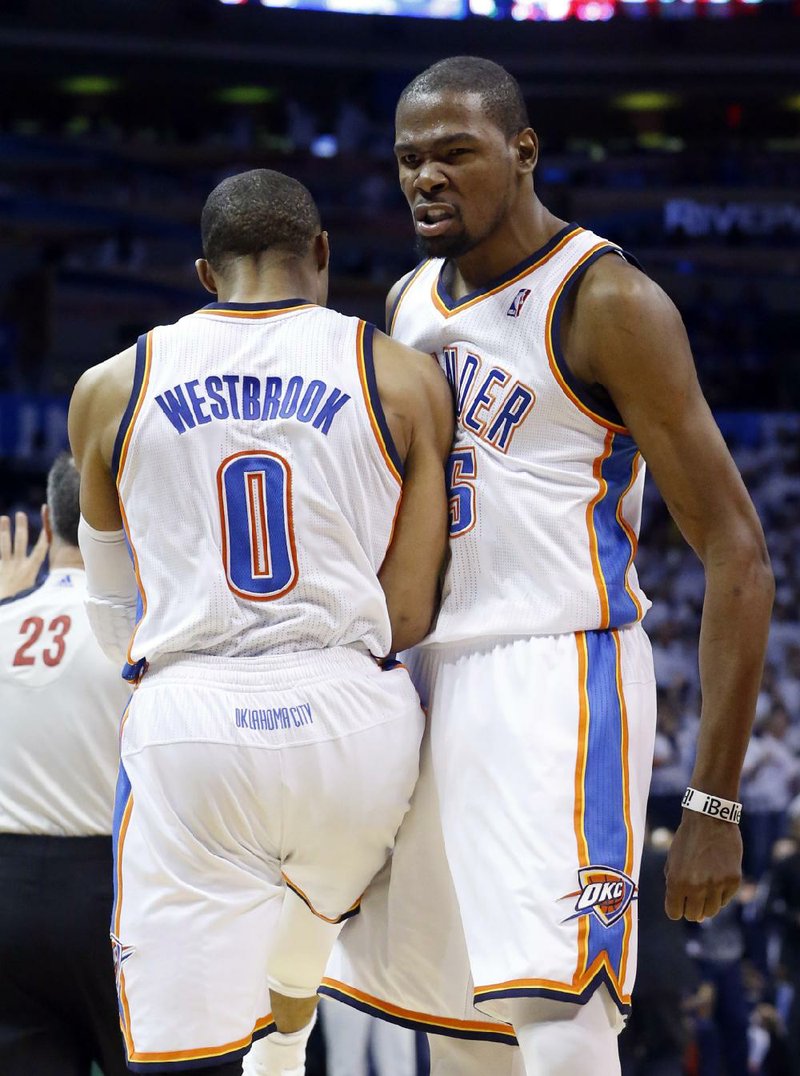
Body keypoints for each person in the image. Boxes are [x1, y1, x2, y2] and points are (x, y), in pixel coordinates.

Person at [323, 56, 774, 1076]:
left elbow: (738, 554)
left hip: (554, 671)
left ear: (522, 153)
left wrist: (708, 803)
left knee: (556, 1007)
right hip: (433, 675)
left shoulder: (606, 297)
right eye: (407, 160)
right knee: (454, 1016)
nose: (424, 179)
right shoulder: (406, 300)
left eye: (454, 154)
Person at [68, 167, 452, 1076]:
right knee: (311, 923)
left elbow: (111, 606)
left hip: (192, 718)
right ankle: (291, 1014)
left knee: (180, 1047)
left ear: (205, 275)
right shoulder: (399, 374)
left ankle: (265, 1032)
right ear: (322, 255)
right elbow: (407, 611)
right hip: (353, 724)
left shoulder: (111, 385)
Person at [0, 454, 130, 1076]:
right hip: (110, 890)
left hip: (8, 898)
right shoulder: (140, 635)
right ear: (123, 523)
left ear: (46, 520)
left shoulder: (1, 622)